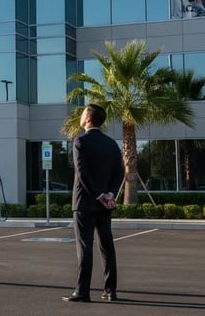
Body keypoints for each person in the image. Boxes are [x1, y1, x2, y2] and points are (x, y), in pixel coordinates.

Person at [63, 103, 125, 303]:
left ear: (88, 118)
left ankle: (82, 292)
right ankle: (110, 291)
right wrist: (110, 194)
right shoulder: (111, 144)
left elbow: (82, 174)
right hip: (105, 205)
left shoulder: (80, 140)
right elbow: (119, 173)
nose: (80, 116)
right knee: (107, 246)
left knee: (85, 247)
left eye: (82, 113)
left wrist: (99, 195)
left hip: (84, 203)